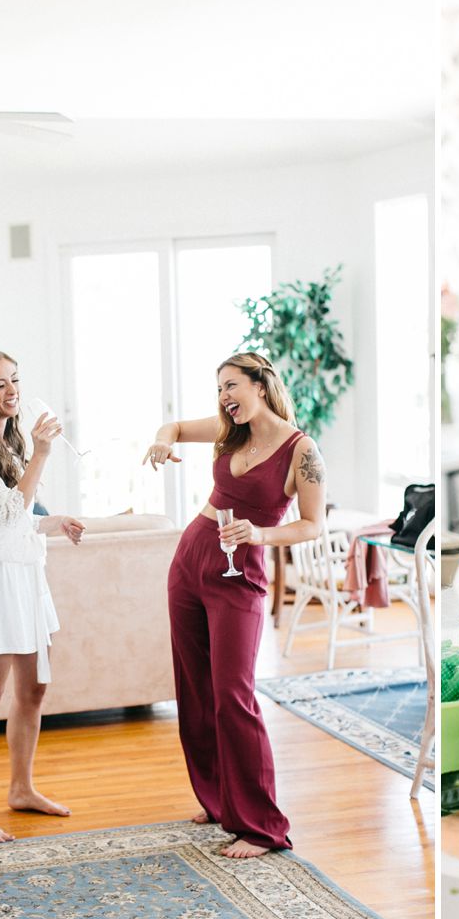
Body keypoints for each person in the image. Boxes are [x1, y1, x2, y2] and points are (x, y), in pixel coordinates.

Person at [143, 352, 326, 858]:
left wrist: (261, 533)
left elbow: (313, 524)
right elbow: (175, 426)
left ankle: (262, 825)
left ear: (261, 385)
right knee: (196, 690)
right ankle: (221, 800)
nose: (225, 397)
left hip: (239, 571)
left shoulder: (301, 449)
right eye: (219, 389)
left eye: (232, 386)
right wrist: (162, 440)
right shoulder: (229, 430)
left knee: (233, 694)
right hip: (192, 557)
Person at [0, 349, 86, 844]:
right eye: (0, 384)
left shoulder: (9, 442)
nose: (13, 392)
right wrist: (42, 455)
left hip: (26, 576)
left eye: (15, 381)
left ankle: (22, 788)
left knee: (35, 689)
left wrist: (53, 521)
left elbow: (18, 517)